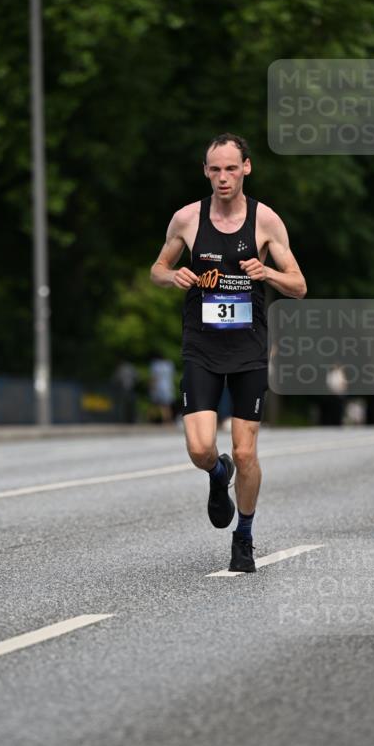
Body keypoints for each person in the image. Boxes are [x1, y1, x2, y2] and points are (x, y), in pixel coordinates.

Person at [150, 133, 306, 572]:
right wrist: (174, 276)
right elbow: (157, 269)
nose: (223, 177)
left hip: (248, 351)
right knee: (201, 449)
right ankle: (218, 478)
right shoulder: (186, 219)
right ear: (205, 171)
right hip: (201, 347)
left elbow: (299, 286)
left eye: (231, 169)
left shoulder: (265, 221)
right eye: (215, 169)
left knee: (245, 453)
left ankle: (245, 536)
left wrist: (268, 272)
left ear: (246, 169)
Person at [149, 354, 176, 423]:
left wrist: (152, 386)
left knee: (157, 404)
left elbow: (154, 377)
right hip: (168, 387)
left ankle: (155, 420)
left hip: (159, 387)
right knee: (167, 405)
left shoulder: (156, 365)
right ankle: (168, 420)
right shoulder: (169, 364)